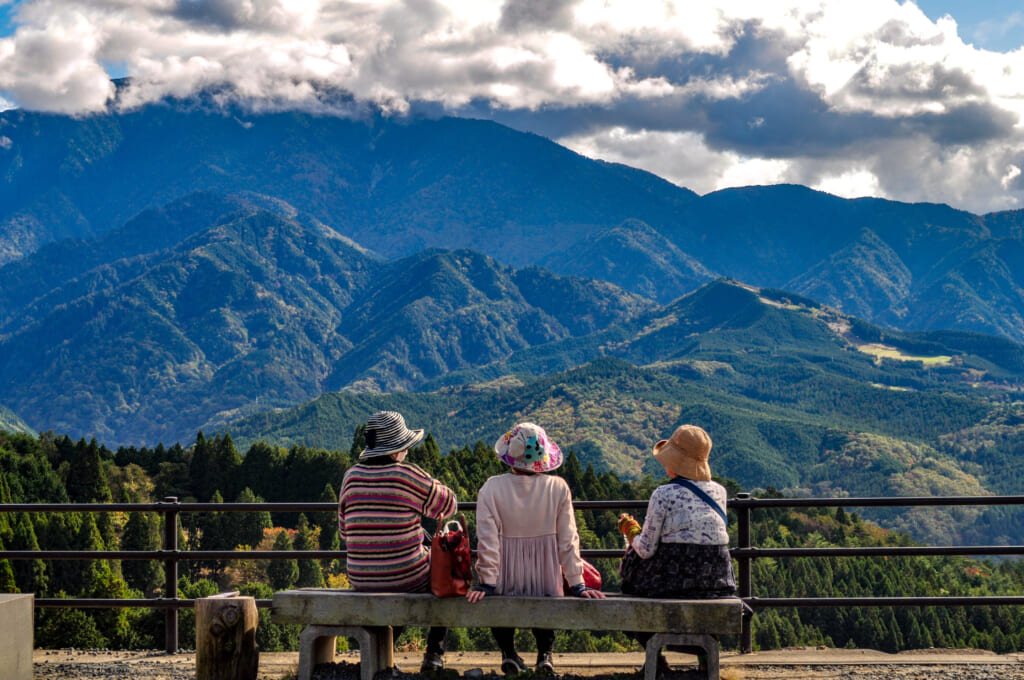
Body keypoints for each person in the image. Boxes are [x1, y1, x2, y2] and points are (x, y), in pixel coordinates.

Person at [466, 422, 605, 676]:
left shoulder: (491, 488)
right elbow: (568, 540)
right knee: (548, 599)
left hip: (505, 573)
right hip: (545, 573)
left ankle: (508, 653)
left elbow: (487, 541)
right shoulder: (558, 487)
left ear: (510, 457)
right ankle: (545, 656)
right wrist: (577, 582)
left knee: (498, 602)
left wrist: (487, 581)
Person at [337, 410, 458, 673]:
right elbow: (449, 505)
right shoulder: (408, 475)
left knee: (394, 577)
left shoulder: (351, 476)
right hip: (405, 574)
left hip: (360, 577)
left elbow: (344, 533)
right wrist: (427, 479)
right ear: (397, 450)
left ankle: (382, 654)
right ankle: (434, 655)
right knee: (446, 575)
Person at [617, 424, 736, 674]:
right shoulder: (719, 492)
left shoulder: (663, 494)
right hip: (715, 585)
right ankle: (704, 659)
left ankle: (656, 660)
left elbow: (647, 549)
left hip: (670, 585)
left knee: (629, 580)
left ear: (674, 463)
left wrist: (631, 533)